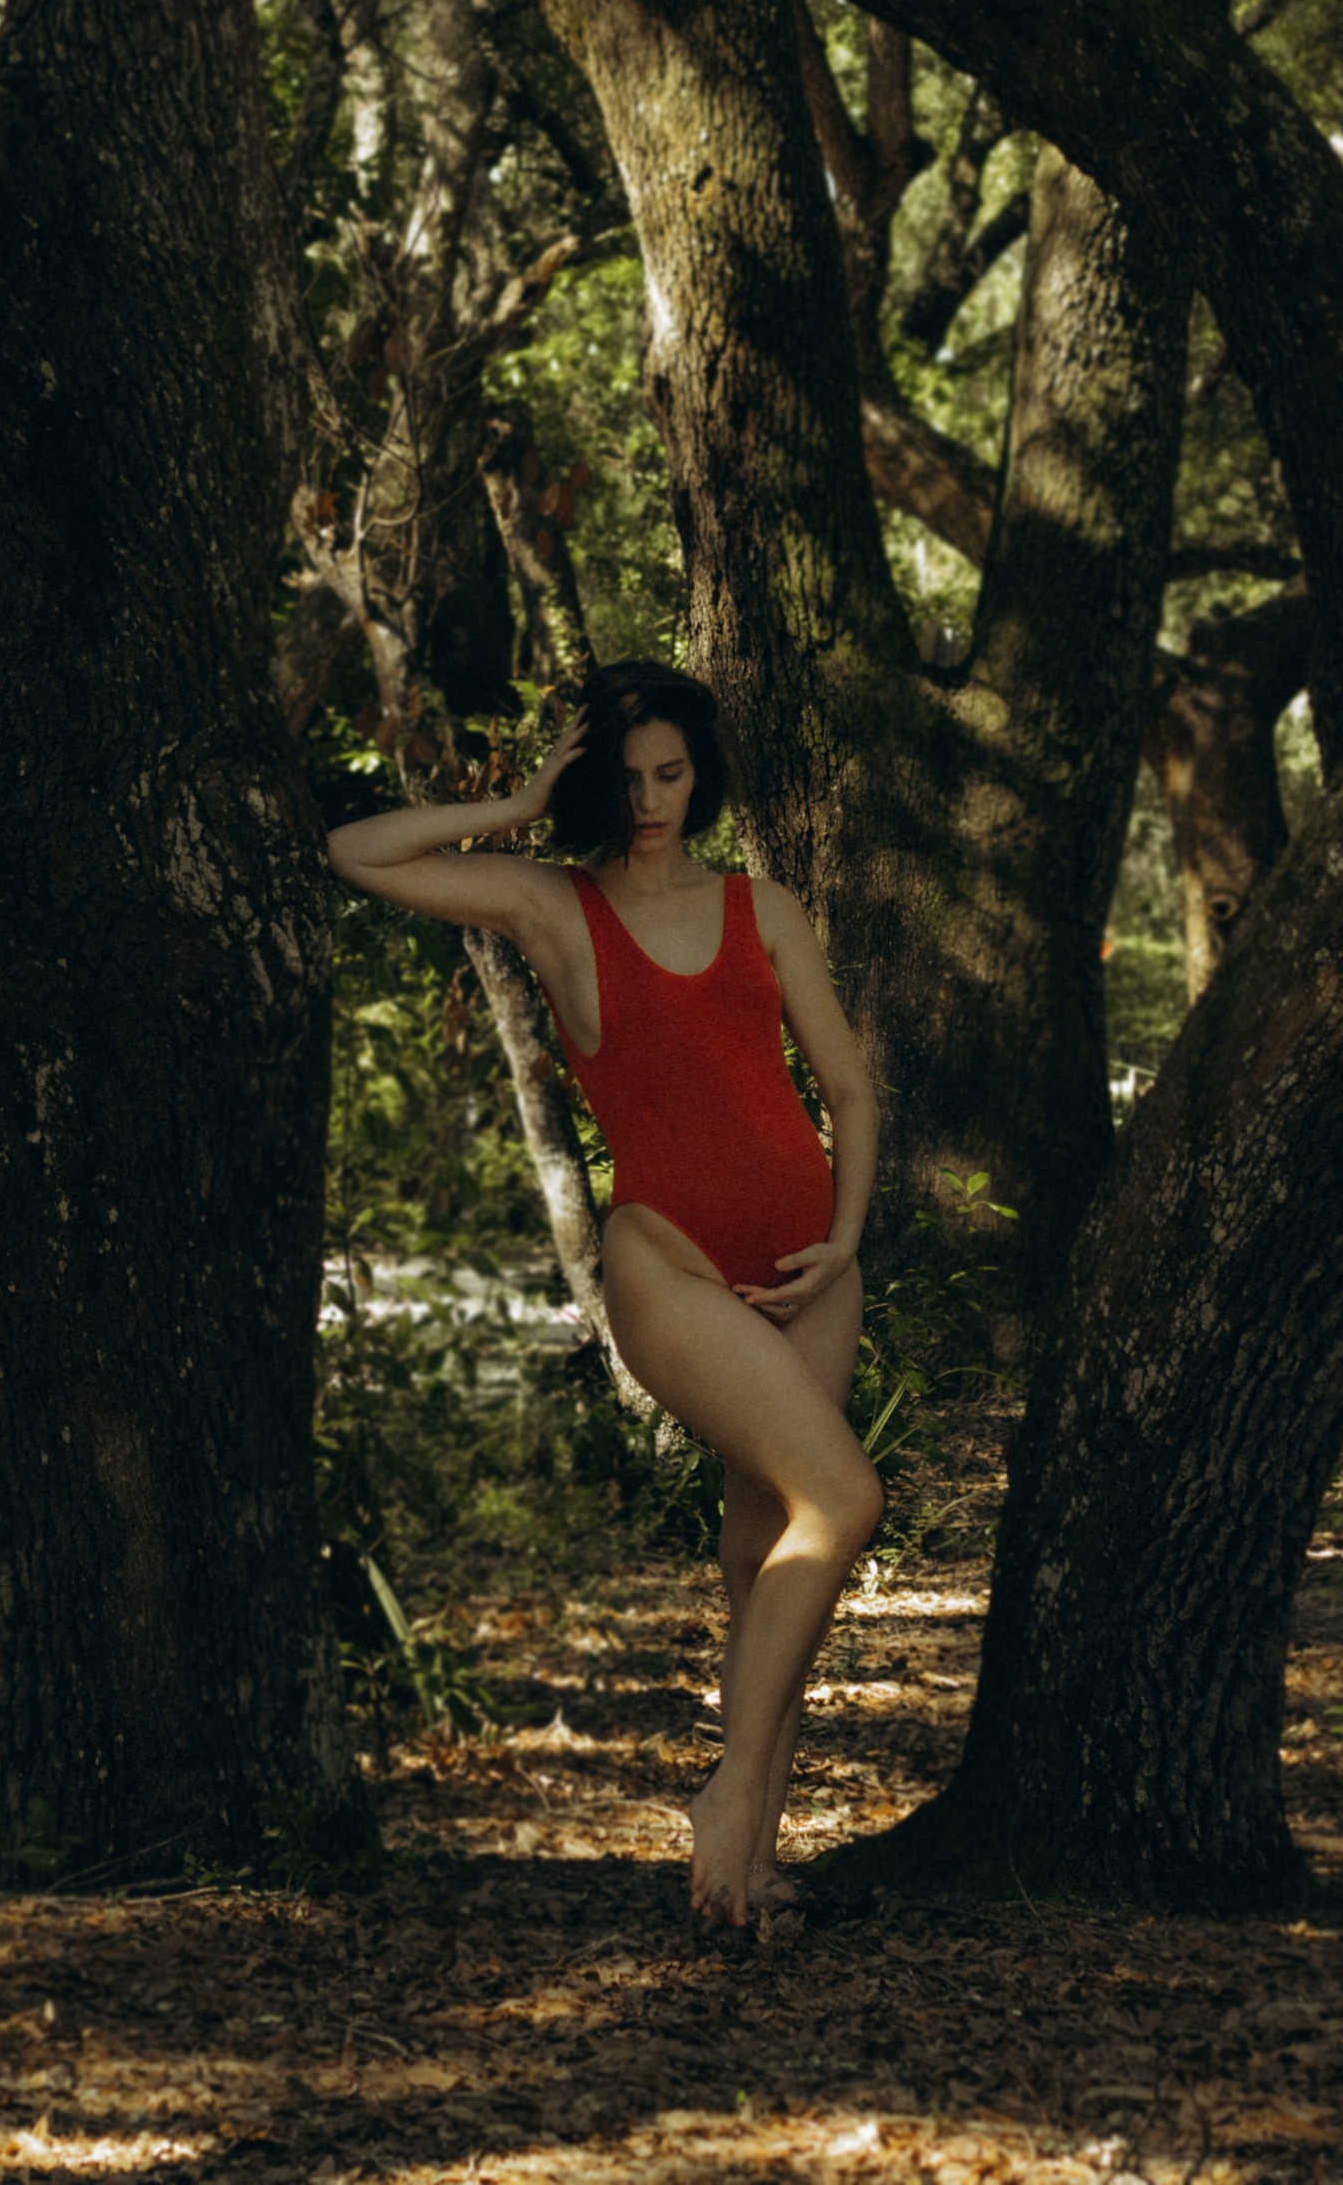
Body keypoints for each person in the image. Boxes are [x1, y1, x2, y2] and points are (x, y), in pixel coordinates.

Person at [326, 660, 883, 1925]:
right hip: (668, 1257)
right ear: (590, 781)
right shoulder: (553, 905)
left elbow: (848, 1089)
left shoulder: (760, 905)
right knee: (843, 1497)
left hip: (811, 1266)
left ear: (701, 775)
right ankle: (729, 1797)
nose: (648, 801)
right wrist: (518, 803)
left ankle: (745, 1871)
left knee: (767, 1556)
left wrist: (844, 1239)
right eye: (623, 779)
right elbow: (355, 848)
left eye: (670, 774)